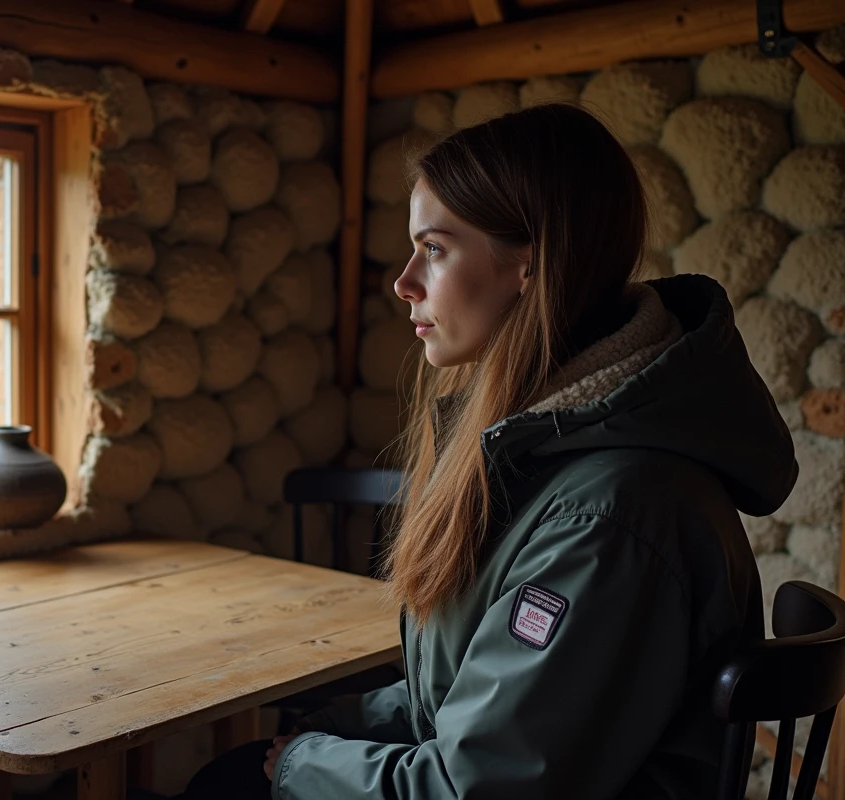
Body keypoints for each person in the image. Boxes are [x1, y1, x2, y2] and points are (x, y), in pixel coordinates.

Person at [178, 103, 797, 800]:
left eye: (435, 249)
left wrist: (305, 763)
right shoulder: (551, 454)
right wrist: (329, 731)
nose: (404, 282)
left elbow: (478, 787)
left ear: (529, 264)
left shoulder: (610, 518)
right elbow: (468, 700)